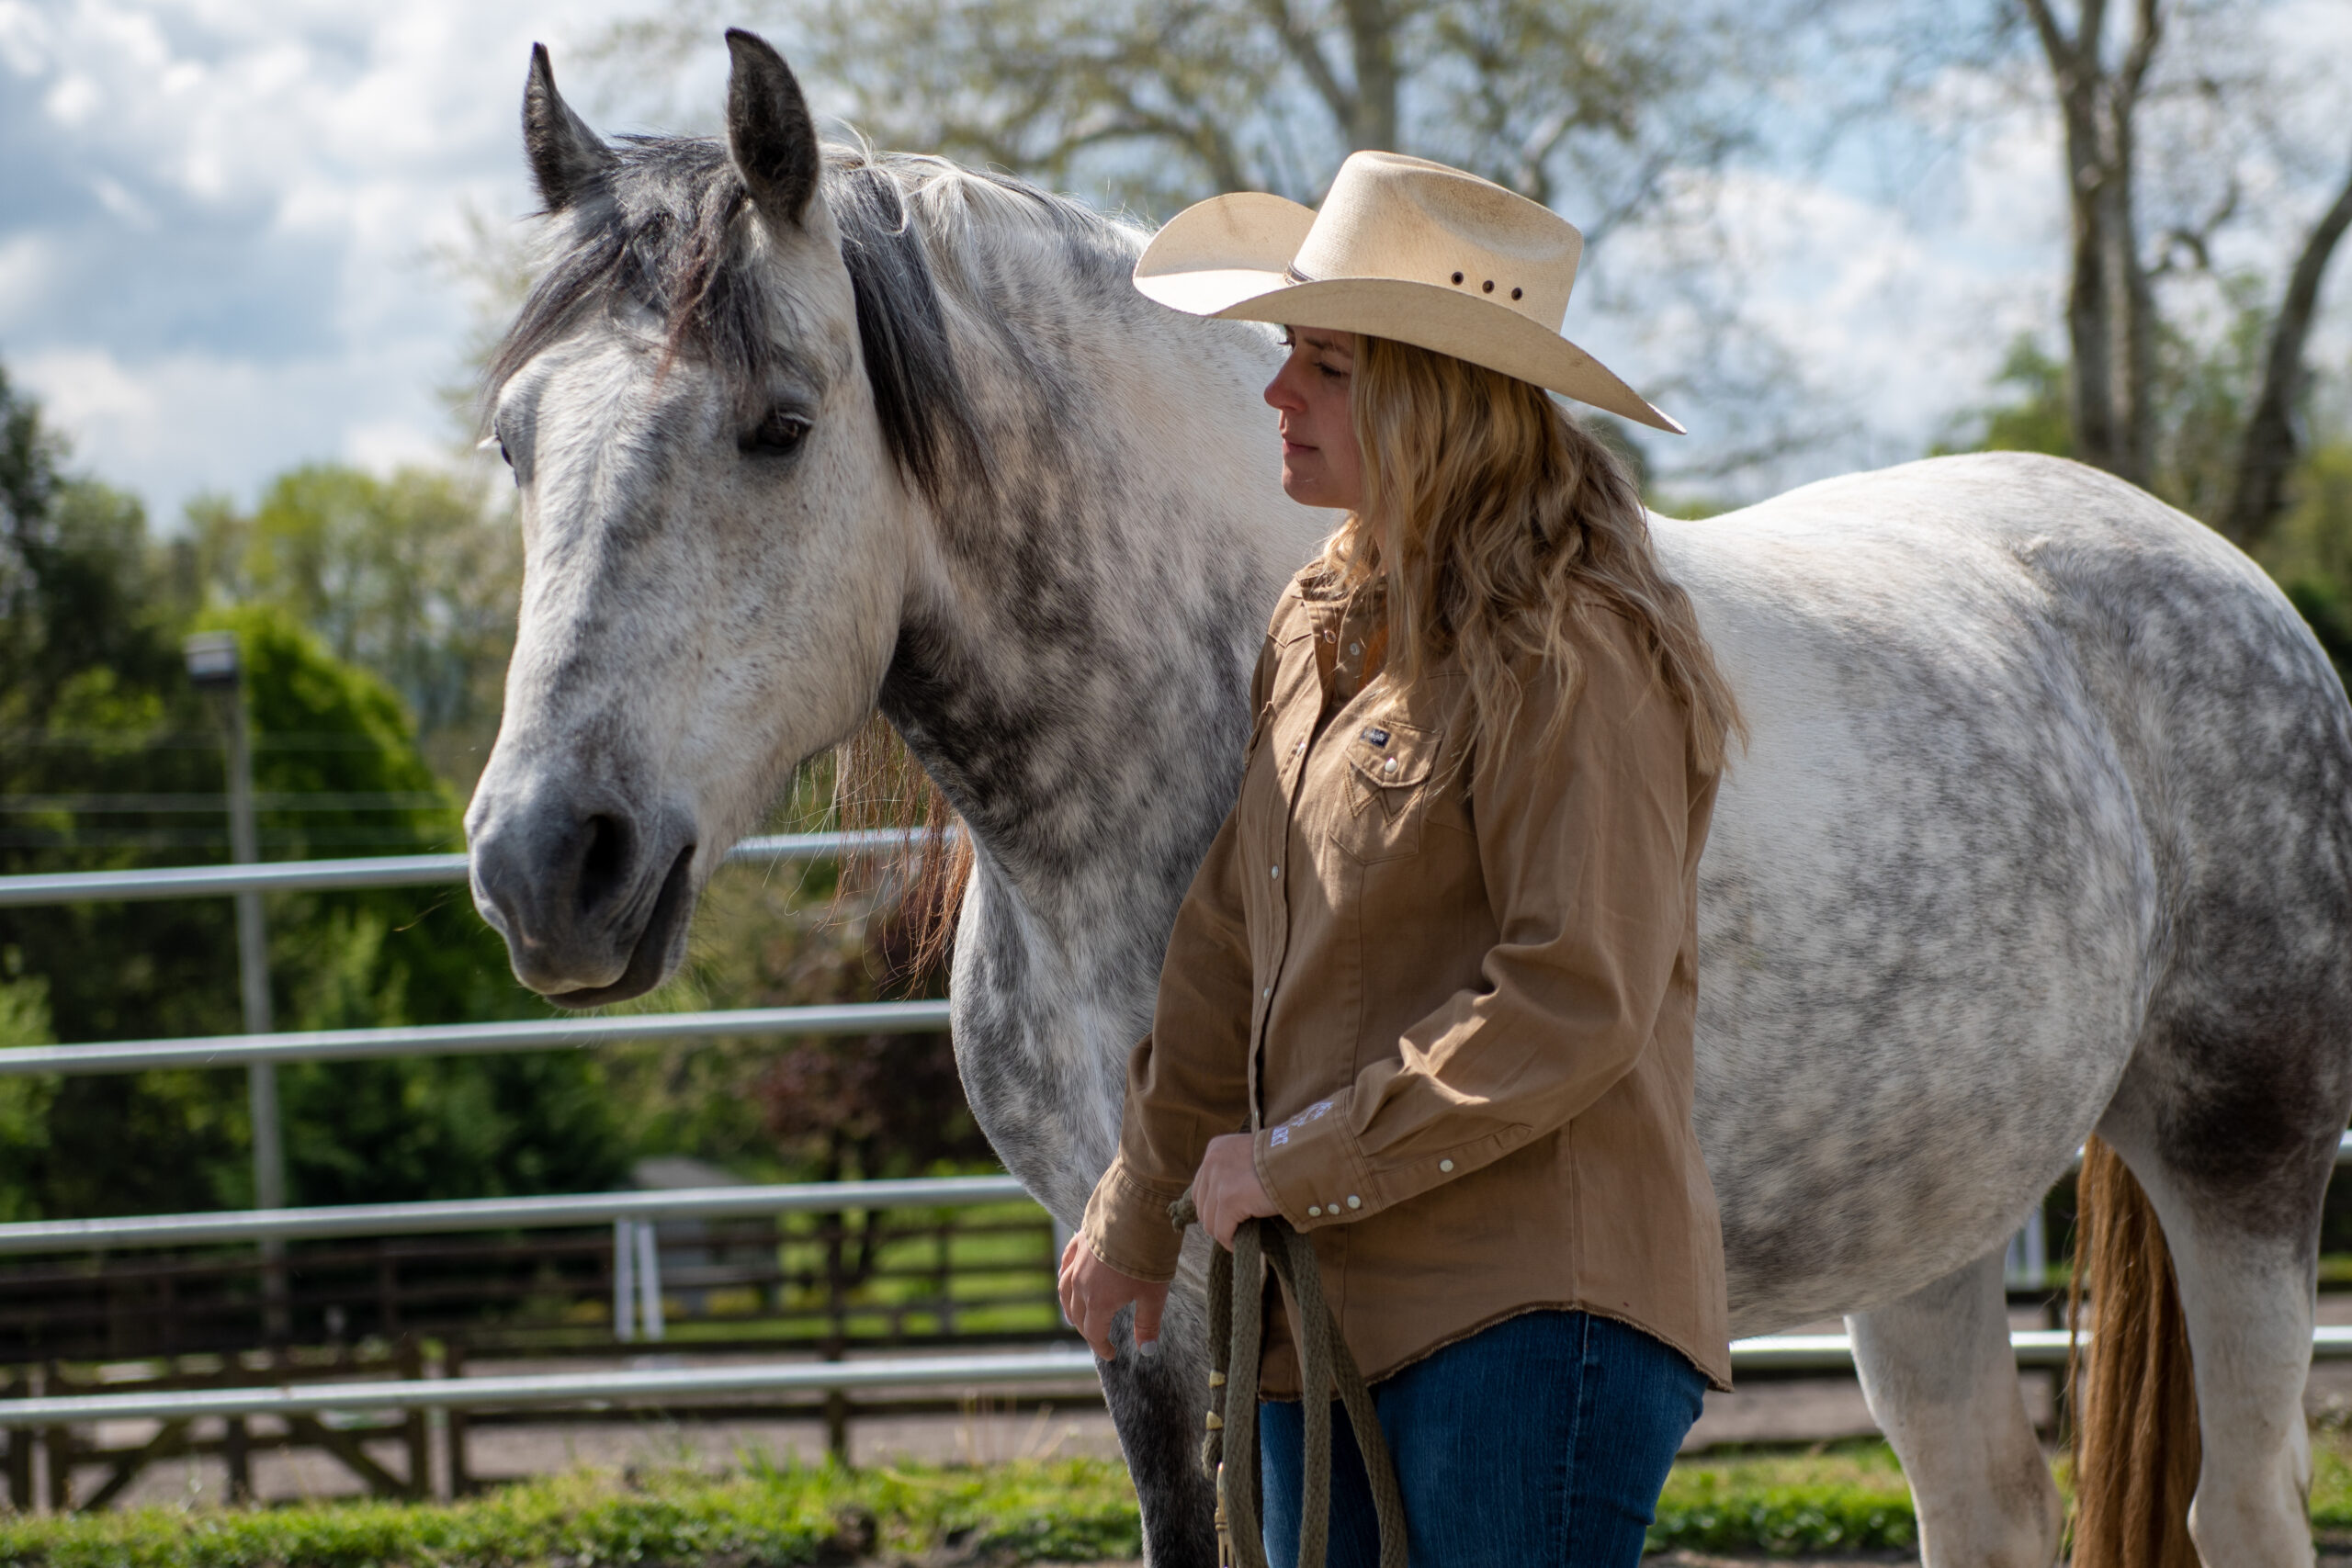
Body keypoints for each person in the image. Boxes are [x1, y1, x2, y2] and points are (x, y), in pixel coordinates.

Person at [1057, 151, 1745, 1567]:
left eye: (1326, 365)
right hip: (1327, 1312)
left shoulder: (1575, 650)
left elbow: (1573, 997)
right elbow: (1228, 938)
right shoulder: (1319, 622)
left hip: (1528, 1320)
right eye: (1289, 353)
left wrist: (1297, 1164)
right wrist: (1140, 1202)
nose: (1277, 394)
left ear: (1437, 399)